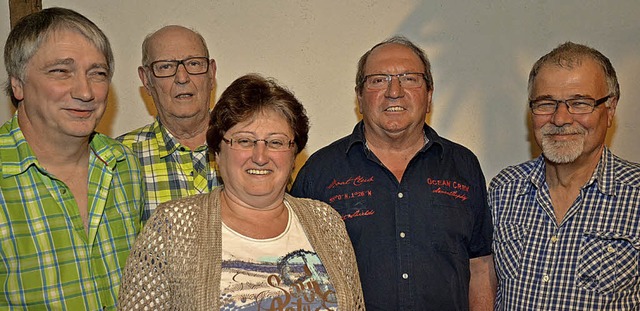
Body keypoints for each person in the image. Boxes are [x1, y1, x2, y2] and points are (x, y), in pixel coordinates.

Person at [117, 74, 365, 310]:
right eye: (244, 141)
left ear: (293, 155)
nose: (260, 156)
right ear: (217, 152)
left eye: (276, 142)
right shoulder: (172, 226)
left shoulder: (326, 222)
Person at [291, 36, 496, 310]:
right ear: (360, 97)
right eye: (378, 80)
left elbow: (480, 265)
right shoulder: (320, 172)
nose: (394, 91)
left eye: (409, 78)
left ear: (429, 94)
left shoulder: (463, 166)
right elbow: (296, 270)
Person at [0, 7, 144, 309]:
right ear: (18, 84)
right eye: (61, 71)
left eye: (98, 74)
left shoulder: (125, 165)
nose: (85, 91)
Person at [489, 42, 640, 309]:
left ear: (611, 108)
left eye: (579, 103)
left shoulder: (636, 196)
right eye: (546, 103)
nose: (560, 119)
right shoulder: (503, 190)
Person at [117, 25, 221, 220]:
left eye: (194, 64)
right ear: (146, 80)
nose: (182, 77)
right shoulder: (119, 160)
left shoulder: (248, 147)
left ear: (211, 73)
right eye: (165, 66)